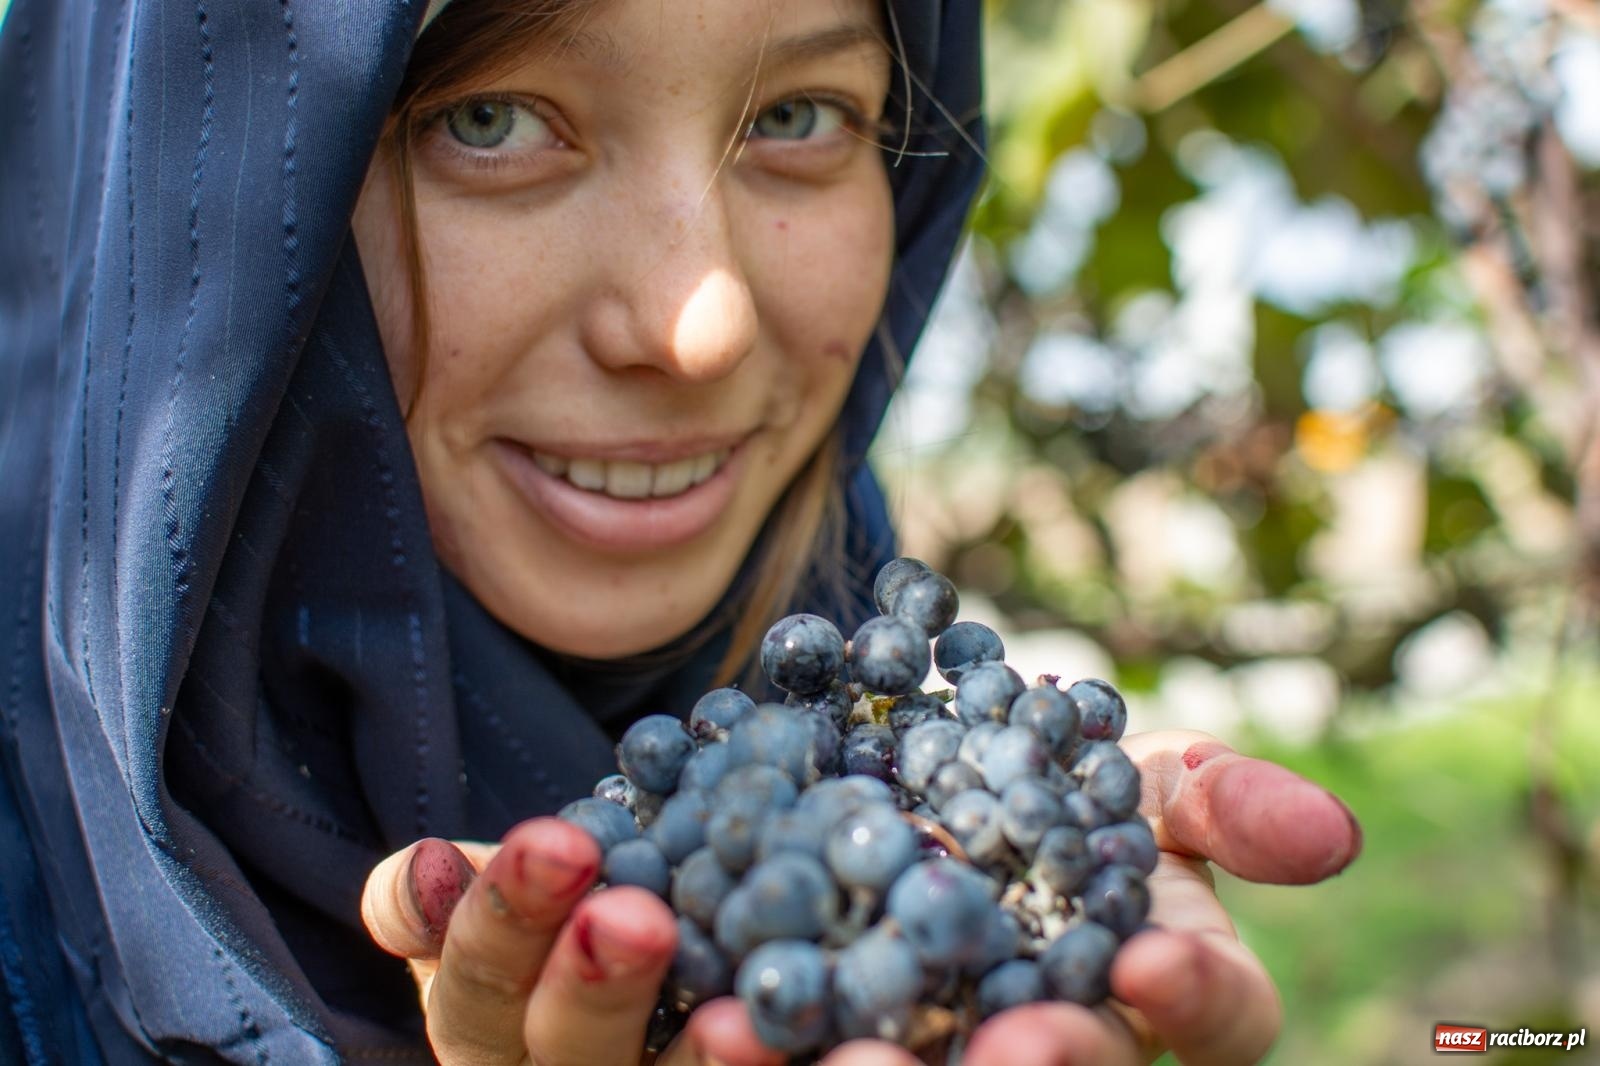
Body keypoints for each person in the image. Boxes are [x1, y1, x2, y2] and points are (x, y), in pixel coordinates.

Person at [0, 0, 1361, 1062]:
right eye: (489, 118)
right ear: (202, 199)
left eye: (800, 114)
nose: (699, 325)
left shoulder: (861, 723)